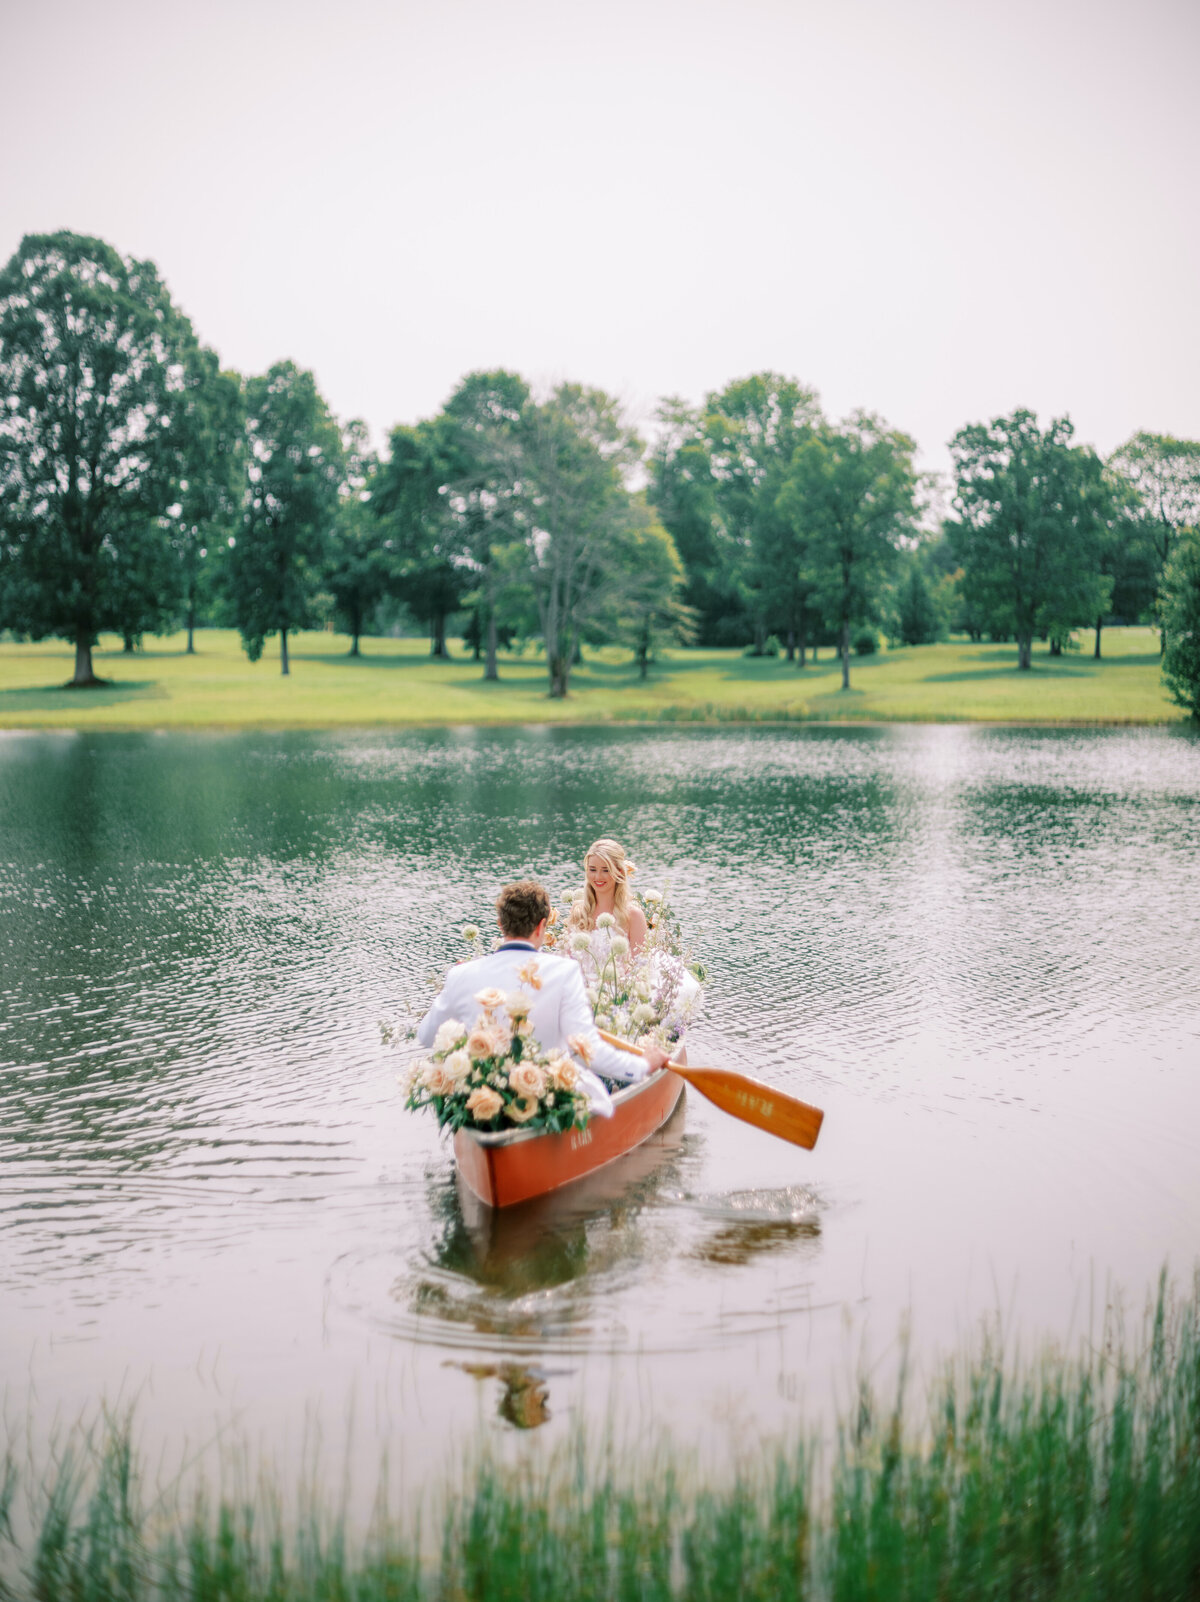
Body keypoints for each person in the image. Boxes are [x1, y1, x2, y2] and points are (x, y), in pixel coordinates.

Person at [417, 880, 669, 1117]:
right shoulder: (564, 971)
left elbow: (426, 1036)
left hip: (483, 1095)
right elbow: (589, 1051)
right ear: (542, 926)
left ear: (500, 924)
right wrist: (643, 1065)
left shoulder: (460, 974)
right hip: (547, 1094)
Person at [566, 838, 648, 954]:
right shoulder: (578, 911)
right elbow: (569, 961)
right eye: (593, 870)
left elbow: (639, 966)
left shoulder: (634, 915)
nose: (598, 877)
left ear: (619, 872)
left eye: (605, 870)